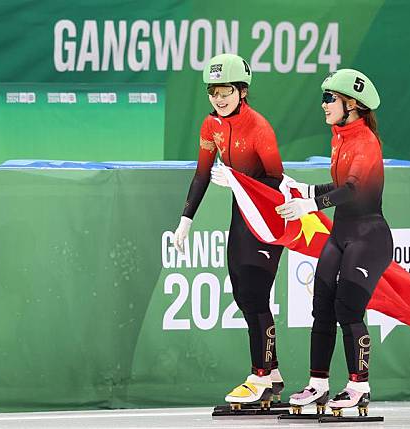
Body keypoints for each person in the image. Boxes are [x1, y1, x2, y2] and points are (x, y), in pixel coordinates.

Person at [276, 69, 393, 415]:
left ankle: (359, 386)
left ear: (352, 104)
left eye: (330, 98)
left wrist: (309, 205)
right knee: (322, 307)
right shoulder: (339, 137)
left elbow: (354, 189)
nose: (324, 104)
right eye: (324, 97)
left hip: (368, 237)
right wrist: (305, 190)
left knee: (348, 308)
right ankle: (319, 384)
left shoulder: (366, 142)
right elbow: (338, 186)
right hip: (341, 234)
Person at [172, 53, 285, 407]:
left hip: (267, 215)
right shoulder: (211, 126)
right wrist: (186, 219)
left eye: (226, 92)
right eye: (213, 92)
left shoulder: (259, 127)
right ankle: (274, 374)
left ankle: (261, 376)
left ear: (242, 91)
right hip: (241, 212)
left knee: (255, 294)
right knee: (241, 292)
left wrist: (237, 181)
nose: (219, 100)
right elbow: (202, 173)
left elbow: (275, 178)